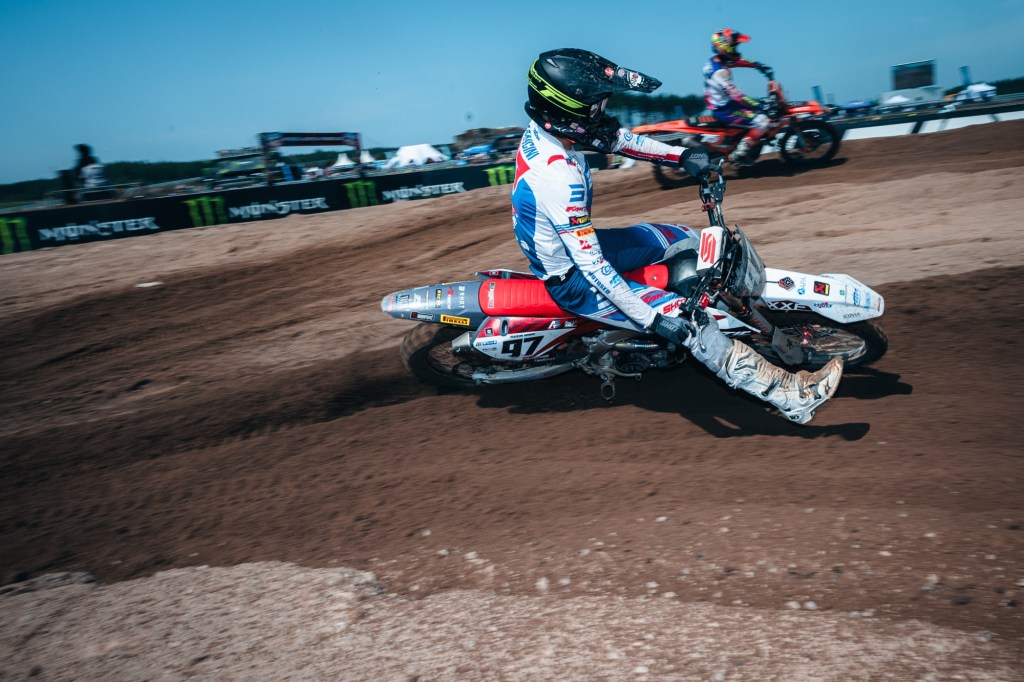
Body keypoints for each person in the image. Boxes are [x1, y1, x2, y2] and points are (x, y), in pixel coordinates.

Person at [512, 48, 841, 424]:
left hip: (579, 246)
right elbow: (593, 267)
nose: (603, 109)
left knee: (686, 238)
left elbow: (619, 141)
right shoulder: (557, 176)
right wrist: (653, 319)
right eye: (596, 104)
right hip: (573, 277)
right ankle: (791, 397)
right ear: (568, 108)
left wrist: (682, 157)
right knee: (692, 326)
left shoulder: (553, 131)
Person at [703, 29, 773, 167]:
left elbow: (735, 62)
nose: (736, 49)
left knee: (755, 111)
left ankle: (741, 144)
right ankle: (738, 154)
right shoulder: (720, 73)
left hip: (723, 104)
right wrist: (760, 105)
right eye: (734, 46)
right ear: (724, 47)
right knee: (763, 122)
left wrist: (756, 65)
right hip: (725, 110)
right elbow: (738, 96)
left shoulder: (713, 61)